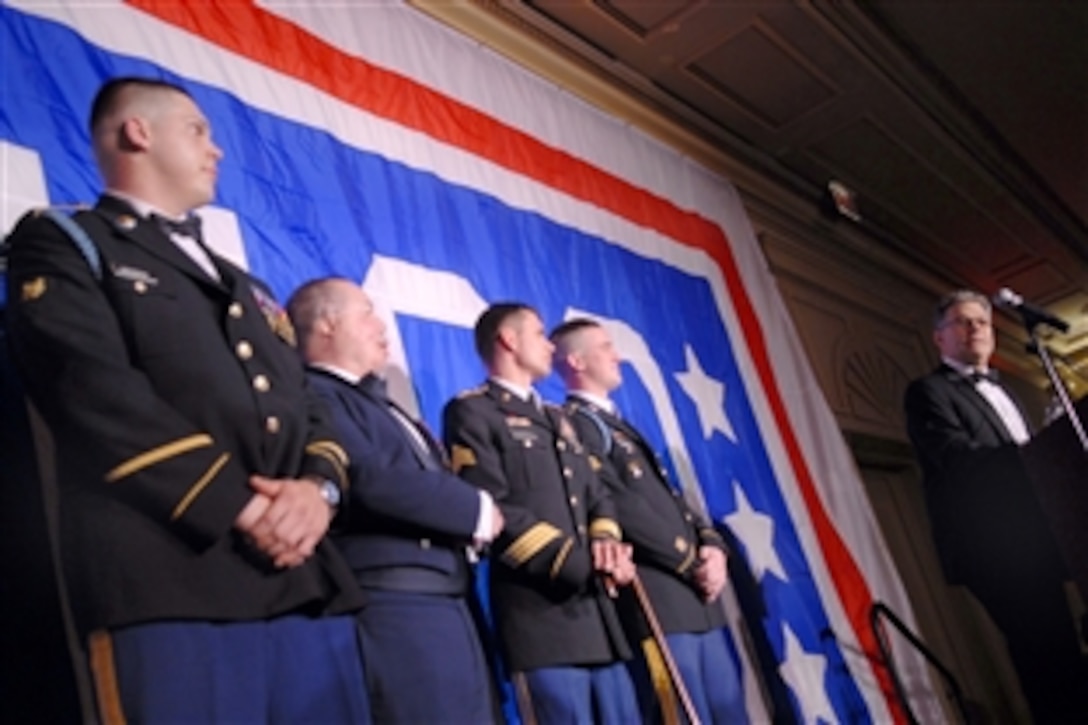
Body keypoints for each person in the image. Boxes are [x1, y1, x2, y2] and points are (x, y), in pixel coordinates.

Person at [4, 77, 370, 723]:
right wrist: (245, 504)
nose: (217, 149)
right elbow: (91, 387)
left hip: (303, 582)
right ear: (137, 132)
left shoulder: (245, 286)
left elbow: (311, 408)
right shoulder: (69, 242)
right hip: (174, 579)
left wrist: (319, 492)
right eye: (198, 129)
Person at [287, 277, 503, 724]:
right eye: (366, 312)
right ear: (327, 324)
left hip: (449, 599)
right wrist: (477, 509)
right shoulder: (311, 393)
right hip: (397, 603)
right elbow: (368, 477)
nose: (380, 325)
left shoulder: (384, 405)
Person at [442, 301, 640, 723]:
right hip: (542, 618)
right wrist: (584, 564)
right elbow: (491, 507)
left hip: (599, 618)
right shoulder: (473, 411)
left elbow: (596, 492)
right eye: (538, 333)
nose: (550, 345)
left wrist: (607, 543)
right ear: (508, 340)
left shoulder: (558, 417)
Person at [551, 318, 748, 724]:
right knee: (684, 713)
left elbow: (672, 498)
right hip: (660, 592)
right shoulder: (579, 424)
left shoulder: (617, 423)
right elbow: (616, 504)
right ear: (577, 360)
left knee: (730, 710)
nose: (617, 356)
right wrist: (688, 560)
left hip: (696, 596)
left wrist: (712, 547)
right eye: (605, 347)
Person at [903, 289, 1087, 722]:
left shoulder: (1007, 392)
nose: (976, 329)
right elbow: (955, 458)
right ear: (939, 338)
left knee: (1063, 646)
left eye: (982, 322)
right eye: (962, 322)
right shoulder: (927, 392)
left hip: (1041, 536)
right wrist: (1032, 455)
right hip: (994, 547)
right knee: (1042, 653)